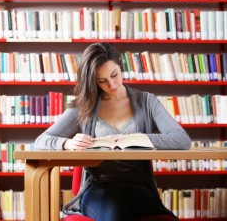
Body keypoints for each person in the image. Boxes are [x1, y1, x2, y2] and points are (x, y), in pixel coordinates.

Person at [34, 42, 191, 221]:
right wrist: (67, 143)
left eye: (114, 75)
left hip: (138, 188)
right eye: (102, 81)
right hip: (97, 189)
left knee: (117, 202)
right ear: (93, 81)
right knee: (115, 204)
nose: (112, 84)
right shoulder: (84, 106)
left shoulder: (147, 102)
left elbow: (181, 139)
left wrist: (139, 138)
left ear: (120, 67)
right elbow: (40, 141)